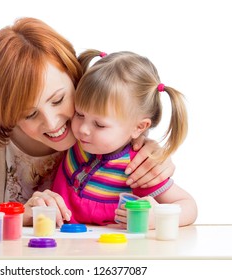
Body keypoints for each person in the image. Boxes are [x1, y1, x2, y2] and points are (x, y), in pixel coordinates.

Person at [0, 18, 176, 227]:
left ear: (75, 76)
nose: (52, 123)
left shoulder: (95, 110)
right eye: (29, 114)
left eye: (58, 99)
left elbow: (128, 118)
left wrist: (154, 154)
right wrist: (20, 216)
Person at [52, 49, 197, 228]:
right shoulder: (71, 139)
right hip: (61, 244)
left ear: (139, 127)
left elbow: (189, 206)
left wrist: (156, 217)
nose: (83, 129)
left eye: (99, 125)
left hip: (112, 250)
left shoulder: (138, 167)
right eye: (79, 113)